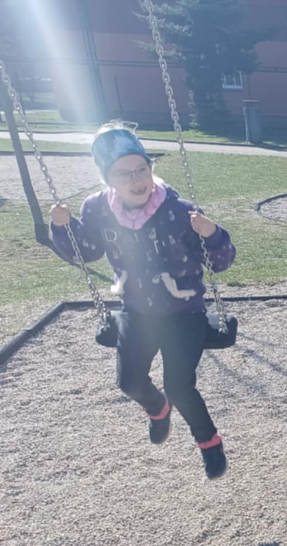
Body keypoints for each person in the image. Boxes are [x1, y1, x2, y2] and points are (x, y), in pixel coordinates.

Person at [49, 125, 236, 479]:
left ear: (150, 169)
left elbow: (221, 262)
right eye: (124, 173)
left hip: (184, 312)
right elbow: (86, 252)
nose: (136, 180)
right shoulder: (97, 209)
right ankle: (157, 408)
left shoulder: (179, 211)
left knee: (180, 386)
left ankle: (209, 442)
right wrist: (64, 227)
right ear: (108, 179)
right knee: (129, 382)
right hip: (136, 310)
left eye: (142, 169)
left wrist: (212, 234)